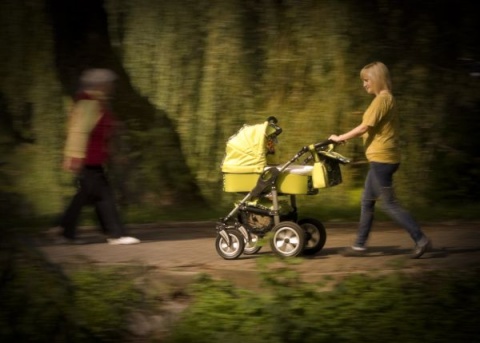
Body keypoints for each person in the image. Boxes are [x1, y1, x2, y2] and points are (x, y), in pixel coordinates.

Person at [329, 61, 431, 258]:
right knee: (367, 201)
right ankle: (359, 245)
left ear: (376, 79)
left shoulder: (382, 100)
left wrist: (339, 138)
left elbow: (364, 127)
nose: (364, 84)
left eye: (367, 80)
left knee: (389, 204)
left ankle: (421, 239)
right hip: (382, 159)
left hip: (382, 161)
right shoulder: (385, 100)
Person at [57, 68, 140, 245]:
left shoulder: (95, 102)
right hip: (88, 158)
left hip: (92, 158)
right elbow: (78, 131)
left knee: (91, 196)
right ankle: (114, 234)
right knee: (102, 196)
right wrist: (75, 157)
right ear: (101, 85)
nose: (112, 87)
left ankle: (66, 230)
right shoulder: (89, 103)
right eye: (110, 84)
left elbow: (100, 128)